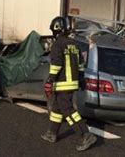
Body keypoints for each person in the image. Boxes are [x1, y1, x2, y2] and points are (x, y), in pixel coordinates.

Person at [41, 16, 97, 152]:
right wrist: (81, 80)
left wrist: (50, 79)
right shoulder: (74, 44)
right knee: (56, 107)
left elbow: (56, 64)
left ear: (57, 29)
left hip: (62, 83)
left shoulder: (58, 44)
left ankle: (85, 134)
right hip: (72, 82)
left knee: (67, 110)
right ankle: (52, 133)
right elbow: (81, 65)